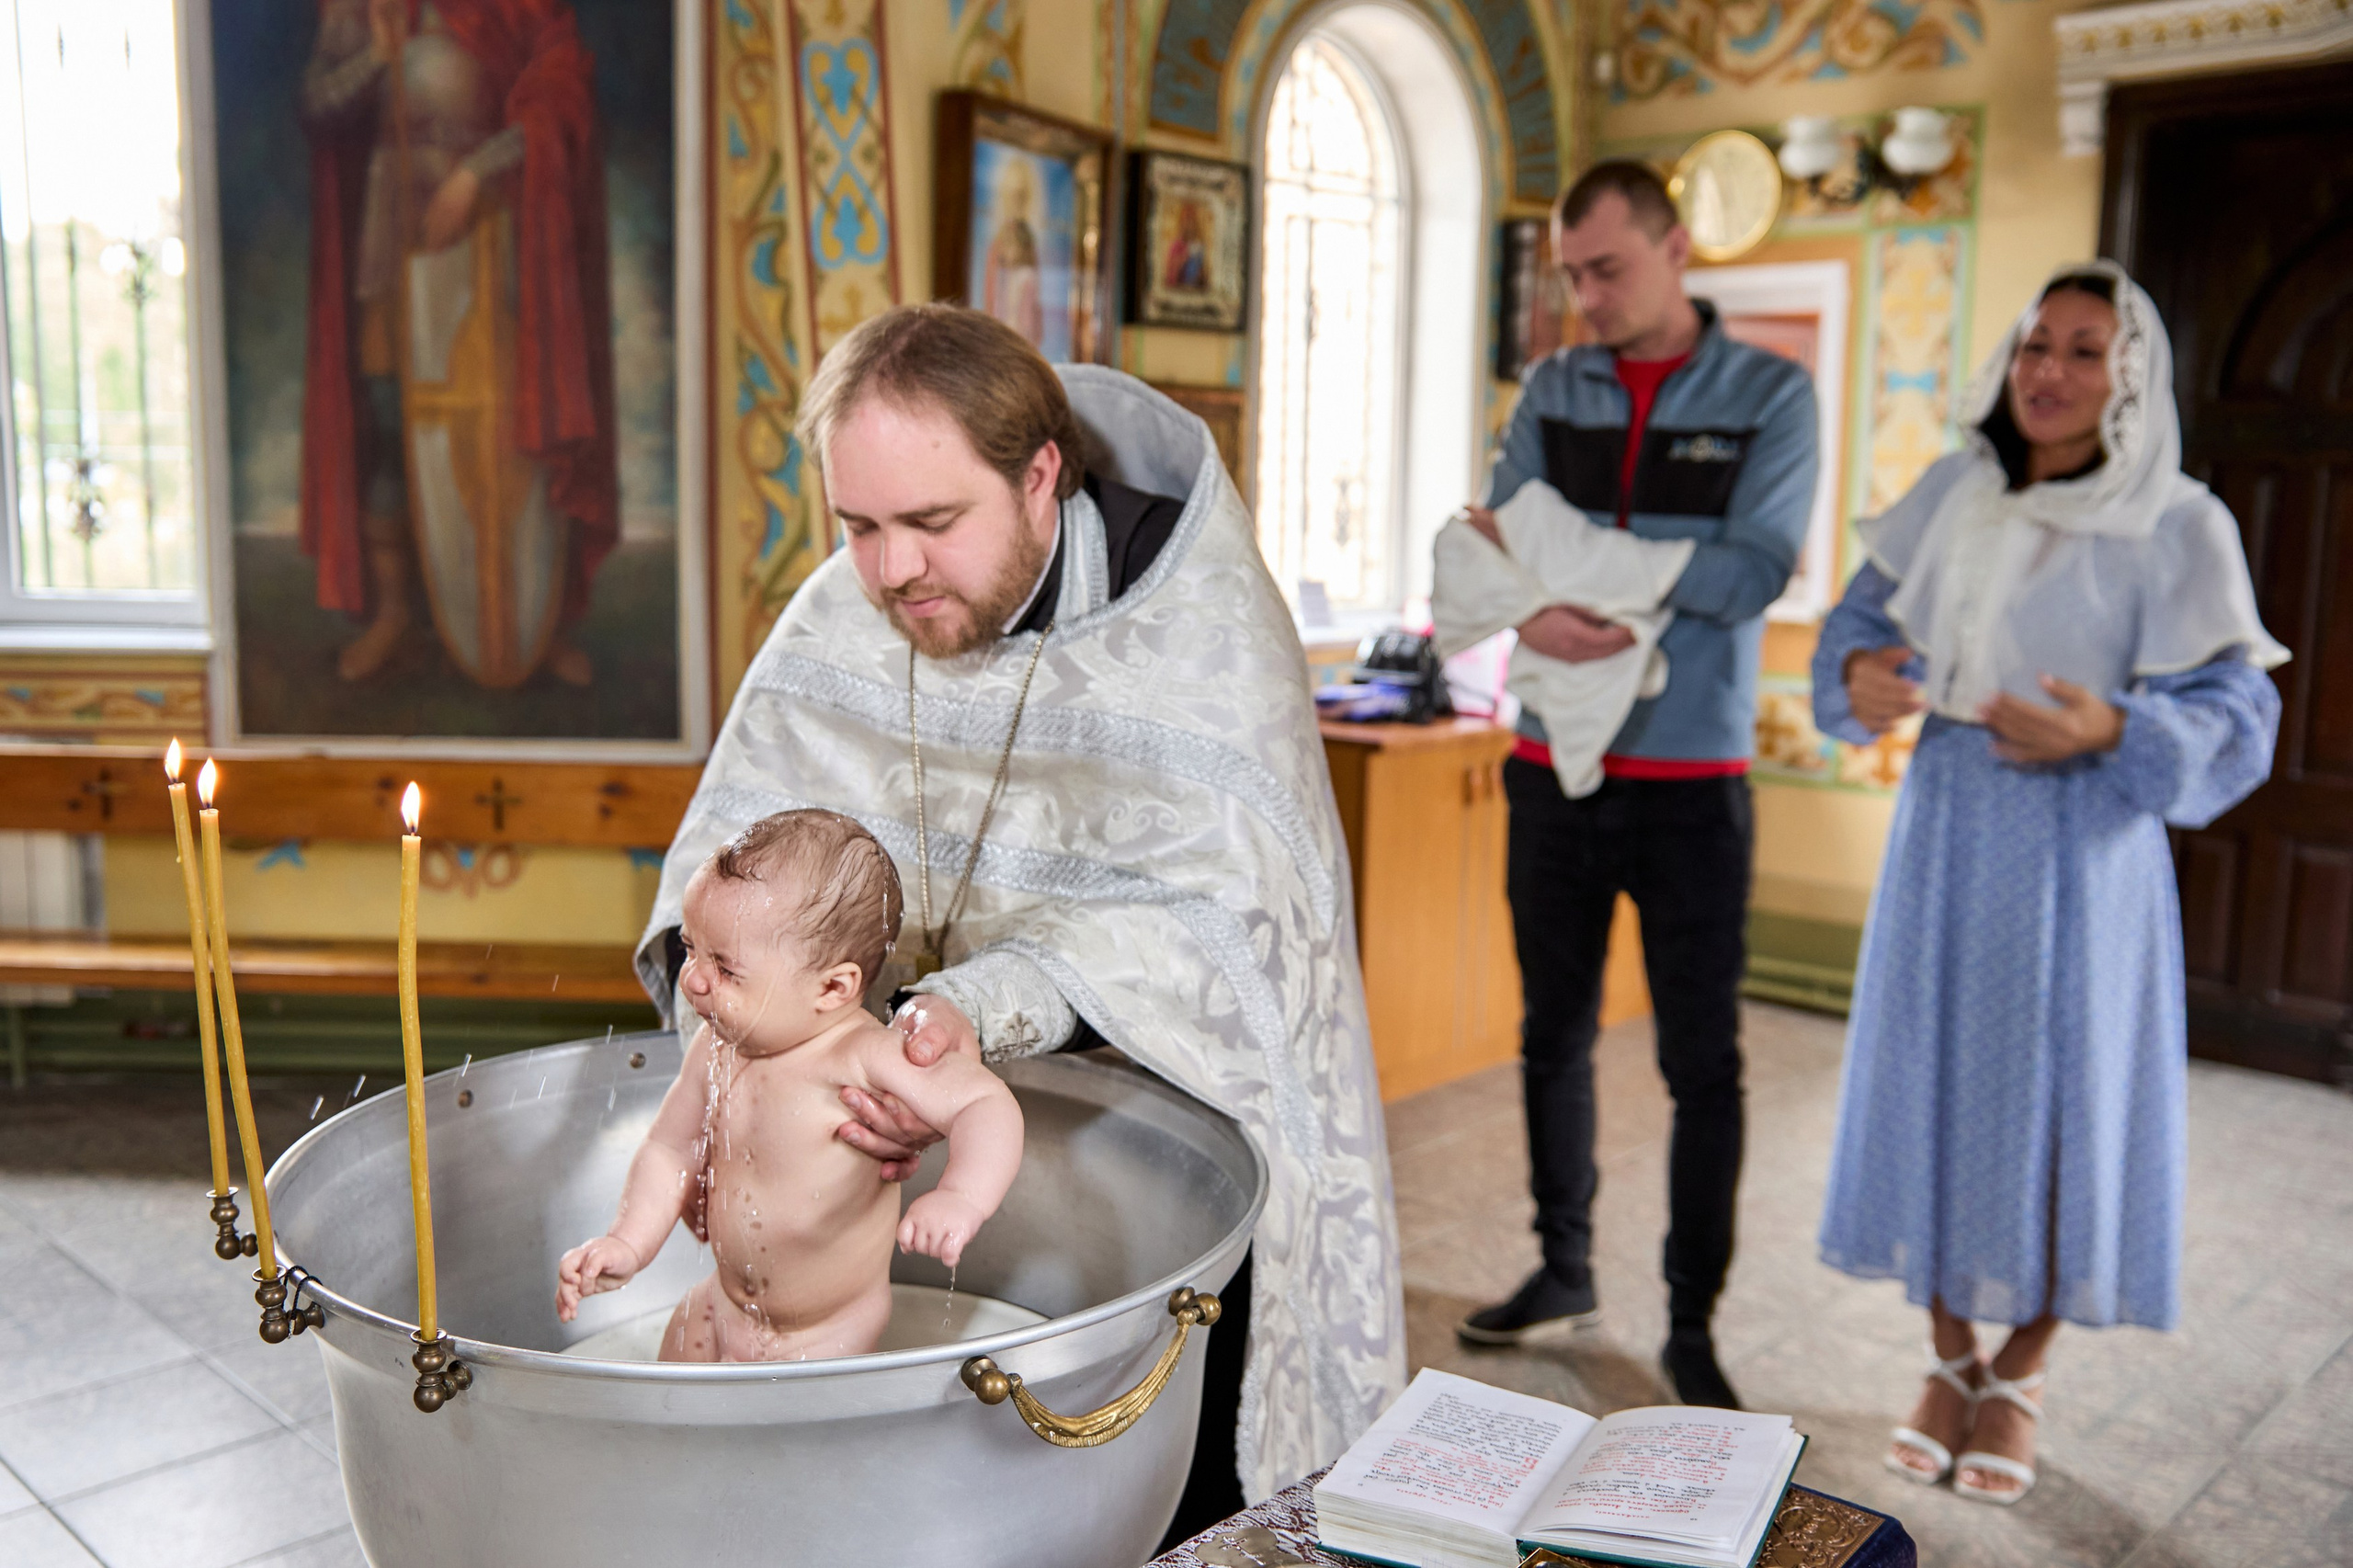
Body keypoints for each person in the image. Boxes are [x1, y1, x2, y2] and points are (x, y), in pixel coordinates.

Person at [635, 305, 1404, 1540]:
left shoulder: (1204, 632)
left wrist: (975, 1006)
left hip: (1153, 1165)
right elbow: (735, 851)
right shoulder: (851, 603)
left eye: (933, 523)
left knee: (1158, 1510)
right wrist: (740, 1036)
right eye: (859, 525)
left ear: (1042, 475)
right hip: (886, 1163)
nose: (887, 572)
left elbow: (1225, 940)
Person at [1813, 261, 2284, 1506]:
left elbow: (2241, 712)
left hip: (2084, 846)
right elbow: (1853, 628)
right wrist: (1860, 673)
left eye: (2085, 350)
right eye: (2034, 346)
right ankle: (1946, 1354)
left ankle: (2021, 1367)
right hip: (1947, 823)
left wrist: (2112, 731)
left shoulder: (2181, 523)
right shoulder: (1954, 494)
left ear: (2132, 375)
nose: (2050, 373)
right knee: (1935, 1077)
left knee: (2065, 1095)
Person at [1452, 161, 1819, 1412]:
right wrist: (1546, 590)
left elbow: (1754, 570)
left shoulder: (1771, 394)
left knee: (1699, 1061)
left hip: (1690, 779)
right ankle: (1562, 1266)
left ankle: (1691, 1321)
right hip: (1553, 759)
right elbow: (1501, 542)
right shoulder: (1555, 386)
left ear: (1676, 253)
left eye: (1606, 269)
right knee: (1550, 1032)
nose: (1582, 295)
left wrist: (1579, 573)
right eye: (1569, 272)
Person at [558, 811, 1023, 1361]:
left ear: (832, 986)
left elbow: (985, 1104)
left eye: (727, 969)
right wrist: (628, 1242)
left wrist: (961, 1196)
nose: (695, 979)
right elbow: (669, 1148)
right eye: (690, 948)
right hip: (722, 1304)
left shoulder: (867, 1056)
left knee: (799, 1441)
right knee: (676, 1420)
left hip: (827, 1330)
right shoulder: (714, 1049)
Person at [300, 0, 618, 687]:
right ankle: (395, 613)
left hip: (501, 230)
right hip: (394, 233)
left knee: (520, 423)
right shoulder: (360, 8)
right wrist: (375, 59)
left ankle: (535, 618)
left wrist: (476, 176)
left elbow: (561, 100)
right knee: (391, 428)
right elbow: (319, 108)